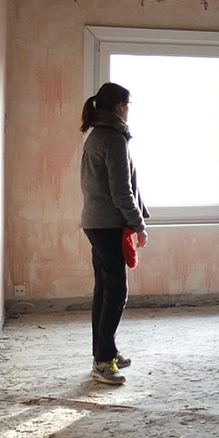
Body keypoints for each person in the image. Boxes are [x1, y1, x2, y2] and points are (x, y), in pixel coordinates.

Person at [80, 82, 149, 384]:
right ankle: (103, 360)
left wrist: (138, 214)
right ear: (121, 107)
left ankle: (105, 350)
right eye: (128, 105)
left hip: (95, 222)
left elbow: (126, 184)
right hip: (106, 223)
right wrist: (139, 224)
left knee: (104, 289)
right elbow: (122, 192)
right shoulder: (113, 139)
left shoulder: (97, 135)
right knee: (117, 290)